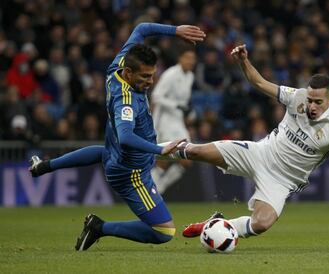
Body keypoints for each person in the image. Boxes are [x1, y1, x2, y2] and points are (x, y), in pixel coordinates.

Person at [29, 22, 205, 251]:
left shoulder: (119, 65)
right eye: (145, 76)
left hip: (116, 155)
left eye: (152, 75)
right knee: (164, 231)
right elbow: (125, 137)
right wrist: (159, 149)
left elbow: (141, 29)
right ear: (130, 73)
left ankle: (44, 167)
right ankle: (100, 227)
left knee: (104, 152)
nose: (150, 82)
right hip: (132, 173)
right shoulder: (126, 101)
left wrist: (175, 31)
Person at [166, 44, 329, 239]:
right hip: (259, 154)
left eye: (318, 102)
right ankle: (151, 149)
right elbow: (259, 82)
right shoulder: (297, 96)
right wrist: (244, 61)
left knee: (261, 223)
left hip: (282, 180)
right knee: (195, 152)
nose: (311, 106)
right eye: (310, 99)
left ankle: (215, 226)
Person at [151, 46, 197, 194]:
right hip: (165, 122)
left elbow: (183, 102)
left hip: (178, 122)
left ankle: (158, 188)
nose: (191, 61)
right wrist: (176, 106)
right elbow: (156, 96)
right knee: (174, 159)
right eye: (188, 58)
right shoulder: (170, 74)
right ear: (180, 59)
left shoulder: (190, 76)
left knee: (186, 159)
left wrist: (188, 113)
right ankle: (156, 190)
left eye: (193, 59)